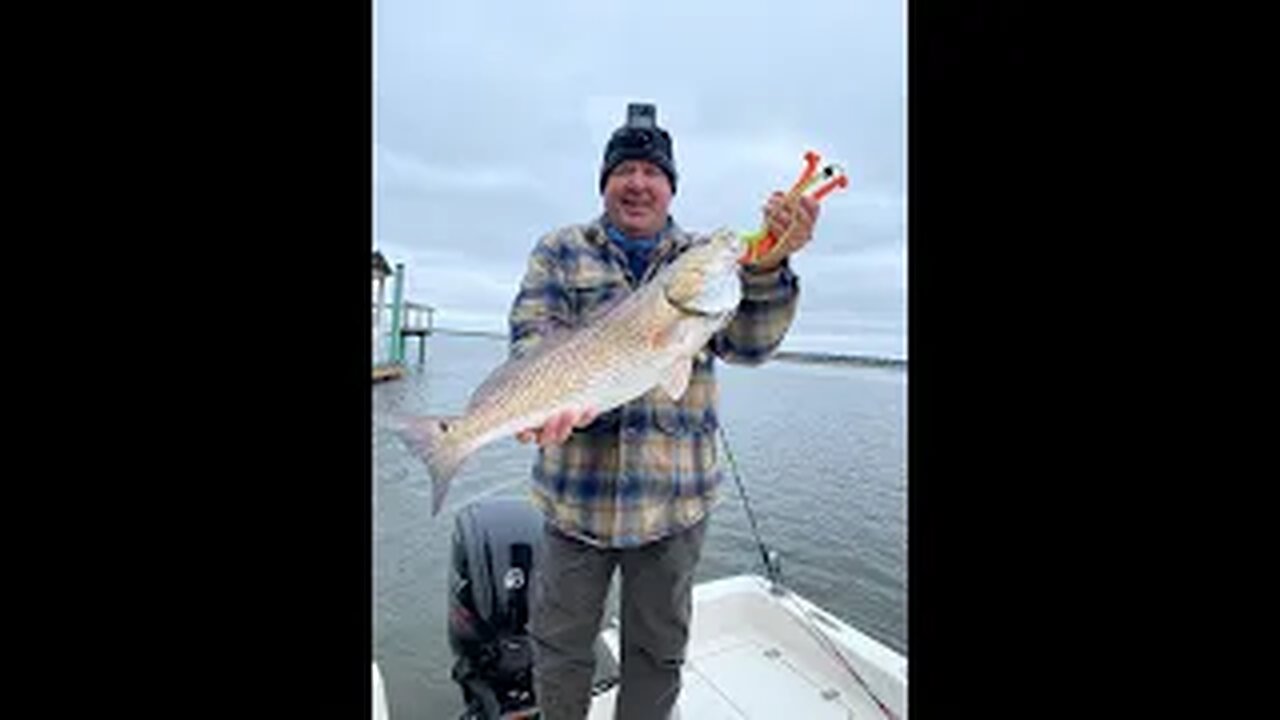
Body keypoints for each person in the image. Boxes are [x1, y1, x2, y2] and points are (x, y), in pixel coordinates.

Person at [507, 102, 820, 720]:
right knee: (559, 647)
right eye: (624, 168)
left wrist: (771, 266)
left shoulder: (702, 257)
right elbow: (529, 338)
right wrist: (547, 397)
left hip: (674, 505)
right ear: (605, 182)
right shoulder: (560, 251)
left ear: (671, 186)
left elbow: (750, 345)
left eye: (653, 171)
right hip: (575, 502)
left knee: (659, 652)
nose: (638, 182)